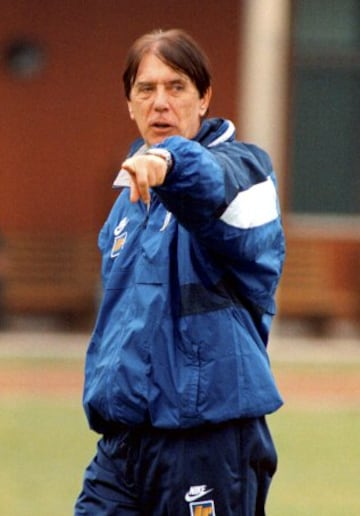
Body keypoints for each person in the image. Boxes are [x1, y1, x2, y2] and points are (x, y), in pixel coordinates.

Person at [75, 28, 285, 516]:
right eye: (145, 90)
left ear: (204, 97)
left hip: (206, 441)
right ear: (129, 103)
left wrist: (168, 162)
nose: (160, 103)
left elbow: (208, 182)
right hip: (124, 443)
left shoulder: (246, 175)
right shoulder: (127, 202)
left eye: (176, 87)